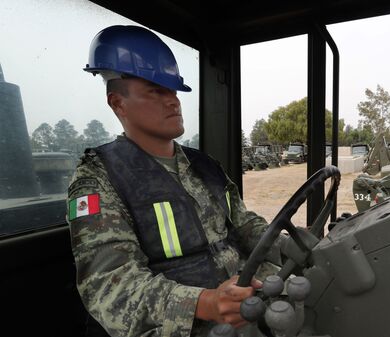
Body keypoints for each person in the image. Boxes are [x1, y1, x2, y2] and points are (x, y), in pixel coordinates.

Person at [67, 25, 277, 337]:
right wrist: (206, 303)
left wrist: (289, 244)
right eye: (156, 90)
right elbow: (112, 289)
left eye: (173, 91)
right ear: (118, 103)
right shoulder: (97, 179)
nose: (173, 101)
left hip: (242, 310)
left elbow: (246, 225)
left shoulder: (207, 167)